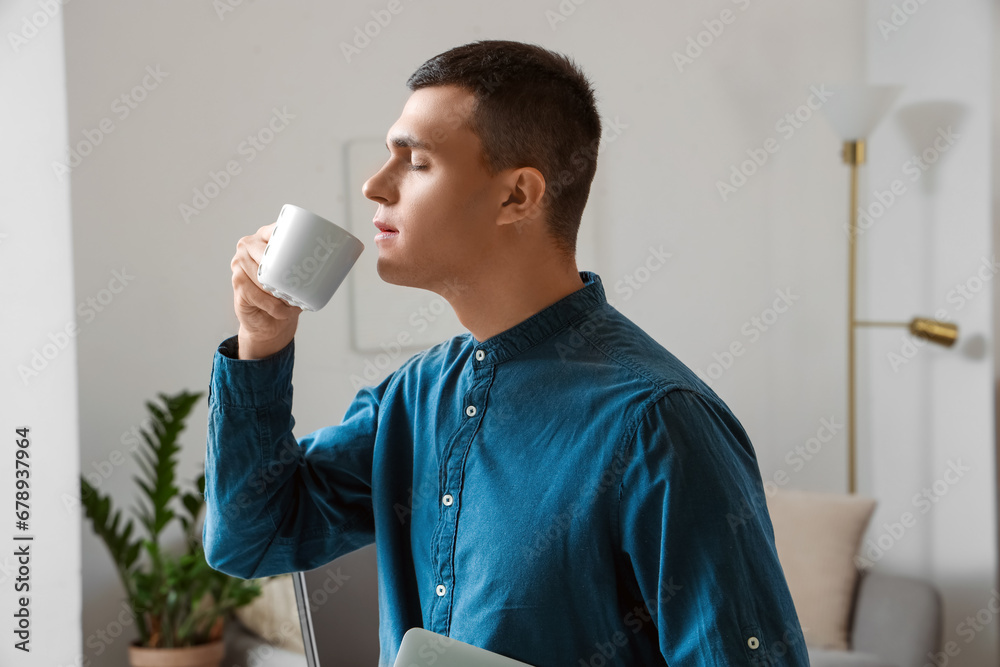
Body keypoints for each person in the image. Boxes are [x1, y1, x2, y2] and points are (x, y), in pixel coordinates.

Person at [203, 39, 808, 666]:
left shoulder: (659, 424)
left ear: (517, 196)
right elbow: (252, 539)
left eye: (417, 162)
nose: (375, 186)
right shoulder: (415, 397)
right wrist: (262, 341)